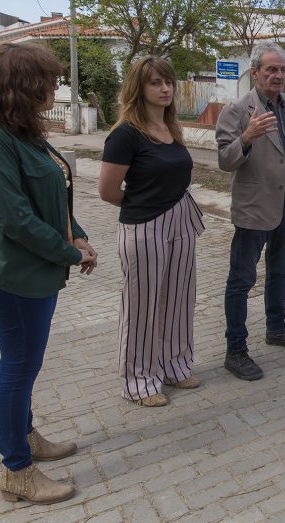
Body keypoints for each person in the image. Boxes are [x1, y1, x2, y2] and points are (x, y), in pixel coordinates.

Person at [0, 43, 97, 504]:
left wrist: (77, 233)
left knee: (26, 366)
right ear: (20, 85)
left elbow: (56, 191)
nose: (55, 87)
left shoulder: (23, 133)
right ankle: (16, 469)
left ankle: (26, 436)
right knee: (16, 369)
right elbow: (12, 216)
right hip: (6, 275)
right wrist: (68, 253)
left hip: (32, 271)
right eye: (48, 80)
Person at [99, 56, 205, 407]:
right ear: (138, 88)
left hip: (180, 221)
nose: (164, 89)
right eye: (155, 82)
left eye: (168, 82)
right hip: (144, 227)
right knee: (143, 306)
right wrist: (144, 205)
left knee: (178, 299)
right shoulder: (125, 134)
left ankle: (176, 365)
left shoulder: (172, 130)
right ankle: (139, 380)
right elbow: (108, 191)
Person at [216, 42, 285, 381]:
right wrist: (246, 137)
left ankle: (276, 328)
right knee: (242, 280)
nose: (278, 75)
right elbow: (224, 160)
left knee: (280, 272)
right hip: (254, 206)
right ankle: (236, 350)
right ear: (255, 72)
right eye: (271, 70)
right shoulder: (236, 110)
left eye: (282, 70)